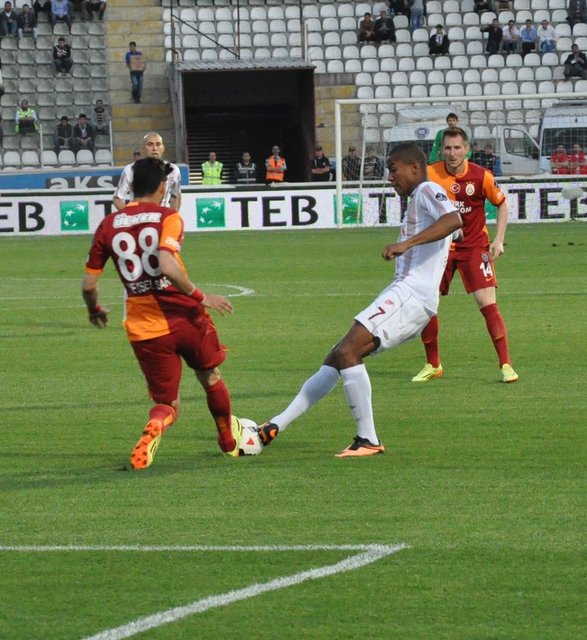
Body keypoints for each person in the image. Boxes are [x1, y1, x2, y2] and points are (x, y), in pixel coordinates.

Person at [255, 143, 462, 457]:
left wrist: (407, 244)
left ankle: (368, 439)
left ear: (414, 168)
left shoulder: (426, 190)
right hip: (409, 295)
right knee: (337, 356)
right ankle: (274, 426)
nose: (389, 177)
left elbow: (454, 220)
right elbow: (455, 230)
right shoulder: (421, 199)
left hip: (411, 295)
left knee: (348, 351)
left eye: (393, 169)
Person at [82, 157, 240, 469]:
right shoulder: (169, 217)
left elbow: (88, 285)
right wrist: (202, 296)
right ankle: (228, 441)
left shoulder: (108, 224)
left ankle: (156, 425)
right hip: (186, 317)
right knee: (210, 376)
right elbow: (167, 264)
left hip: (144, 327)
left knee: (167, 403)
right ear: (161, 186)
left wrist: (94, 310)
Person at [412, 127, 518, 384]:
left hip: (474, 247)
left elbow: (502, 204)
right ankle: (433, 364)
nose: (452, 153)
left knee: (487, 303)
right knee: (427, 303)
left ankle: (506, 364)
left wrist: (499, 240)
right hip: (439, 248)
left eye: (457, 148)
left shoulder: (482, 176)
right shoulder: (430, 175)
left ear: (467, 149)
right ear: (442, 150)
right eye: (448, 148)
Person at [113, 132, 182, 211]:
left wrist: (171, 215)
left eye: (158, 144)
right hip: (138, 215)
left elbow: (176, 196)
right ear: (143, 149)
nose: (155, 148)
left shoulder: (173, 170)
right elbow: (117, 198)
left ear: (163, 148)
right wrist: (130, 215)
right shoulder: (131, 169)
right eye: (150, 144)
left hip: (161, 216)